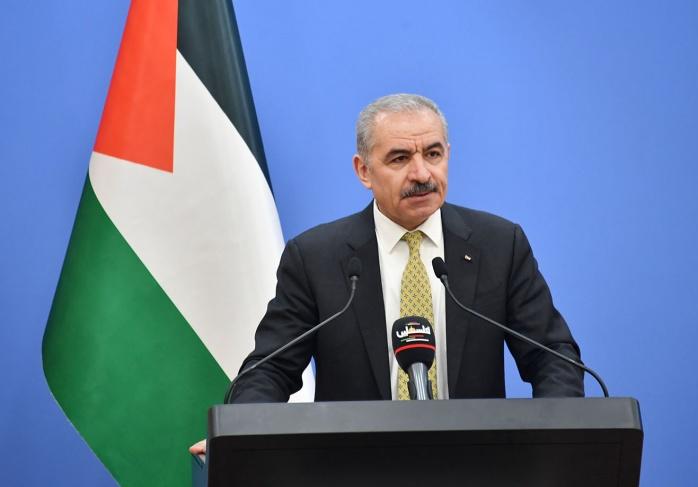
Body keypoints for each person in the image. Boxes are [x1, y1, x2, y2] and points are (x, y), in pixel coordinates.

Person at [190, 93, 583, 454]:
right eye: (399, 159)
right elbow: (271, 369)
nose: (422, 173)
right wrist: (239, 435)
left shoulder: (499, 245)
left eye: (433, 154)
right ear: (364, 170)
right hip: (354, 467)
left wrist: (558, 439)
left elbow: (554, 358)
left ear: (448, 154)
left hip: (477, 464)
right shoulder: (316, 257)